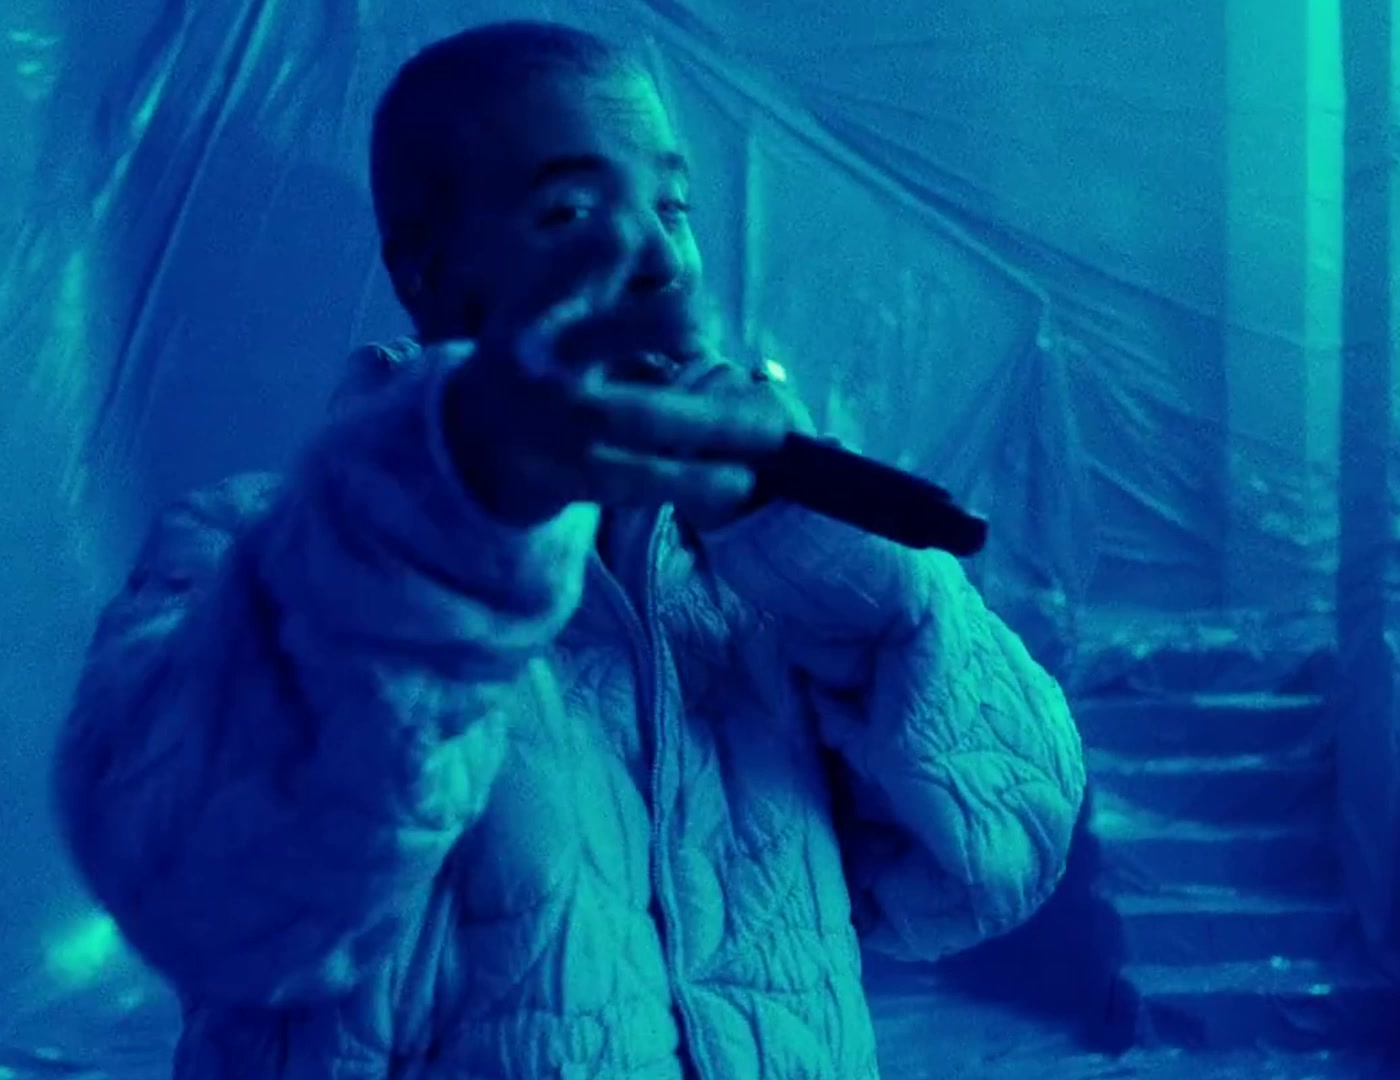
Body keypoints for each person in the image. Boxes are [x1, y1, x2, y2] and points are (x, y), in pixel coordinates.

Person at [52, 19, 1086, 1079]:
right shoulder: (249, 559)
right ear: (429, 272)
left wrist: (827, 557)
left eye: (672, 207)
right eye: (571, 212)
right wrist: (458, 514)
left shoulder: (757, 580)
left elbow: (996, 855)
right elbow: (210, 897)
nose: (659, 259)